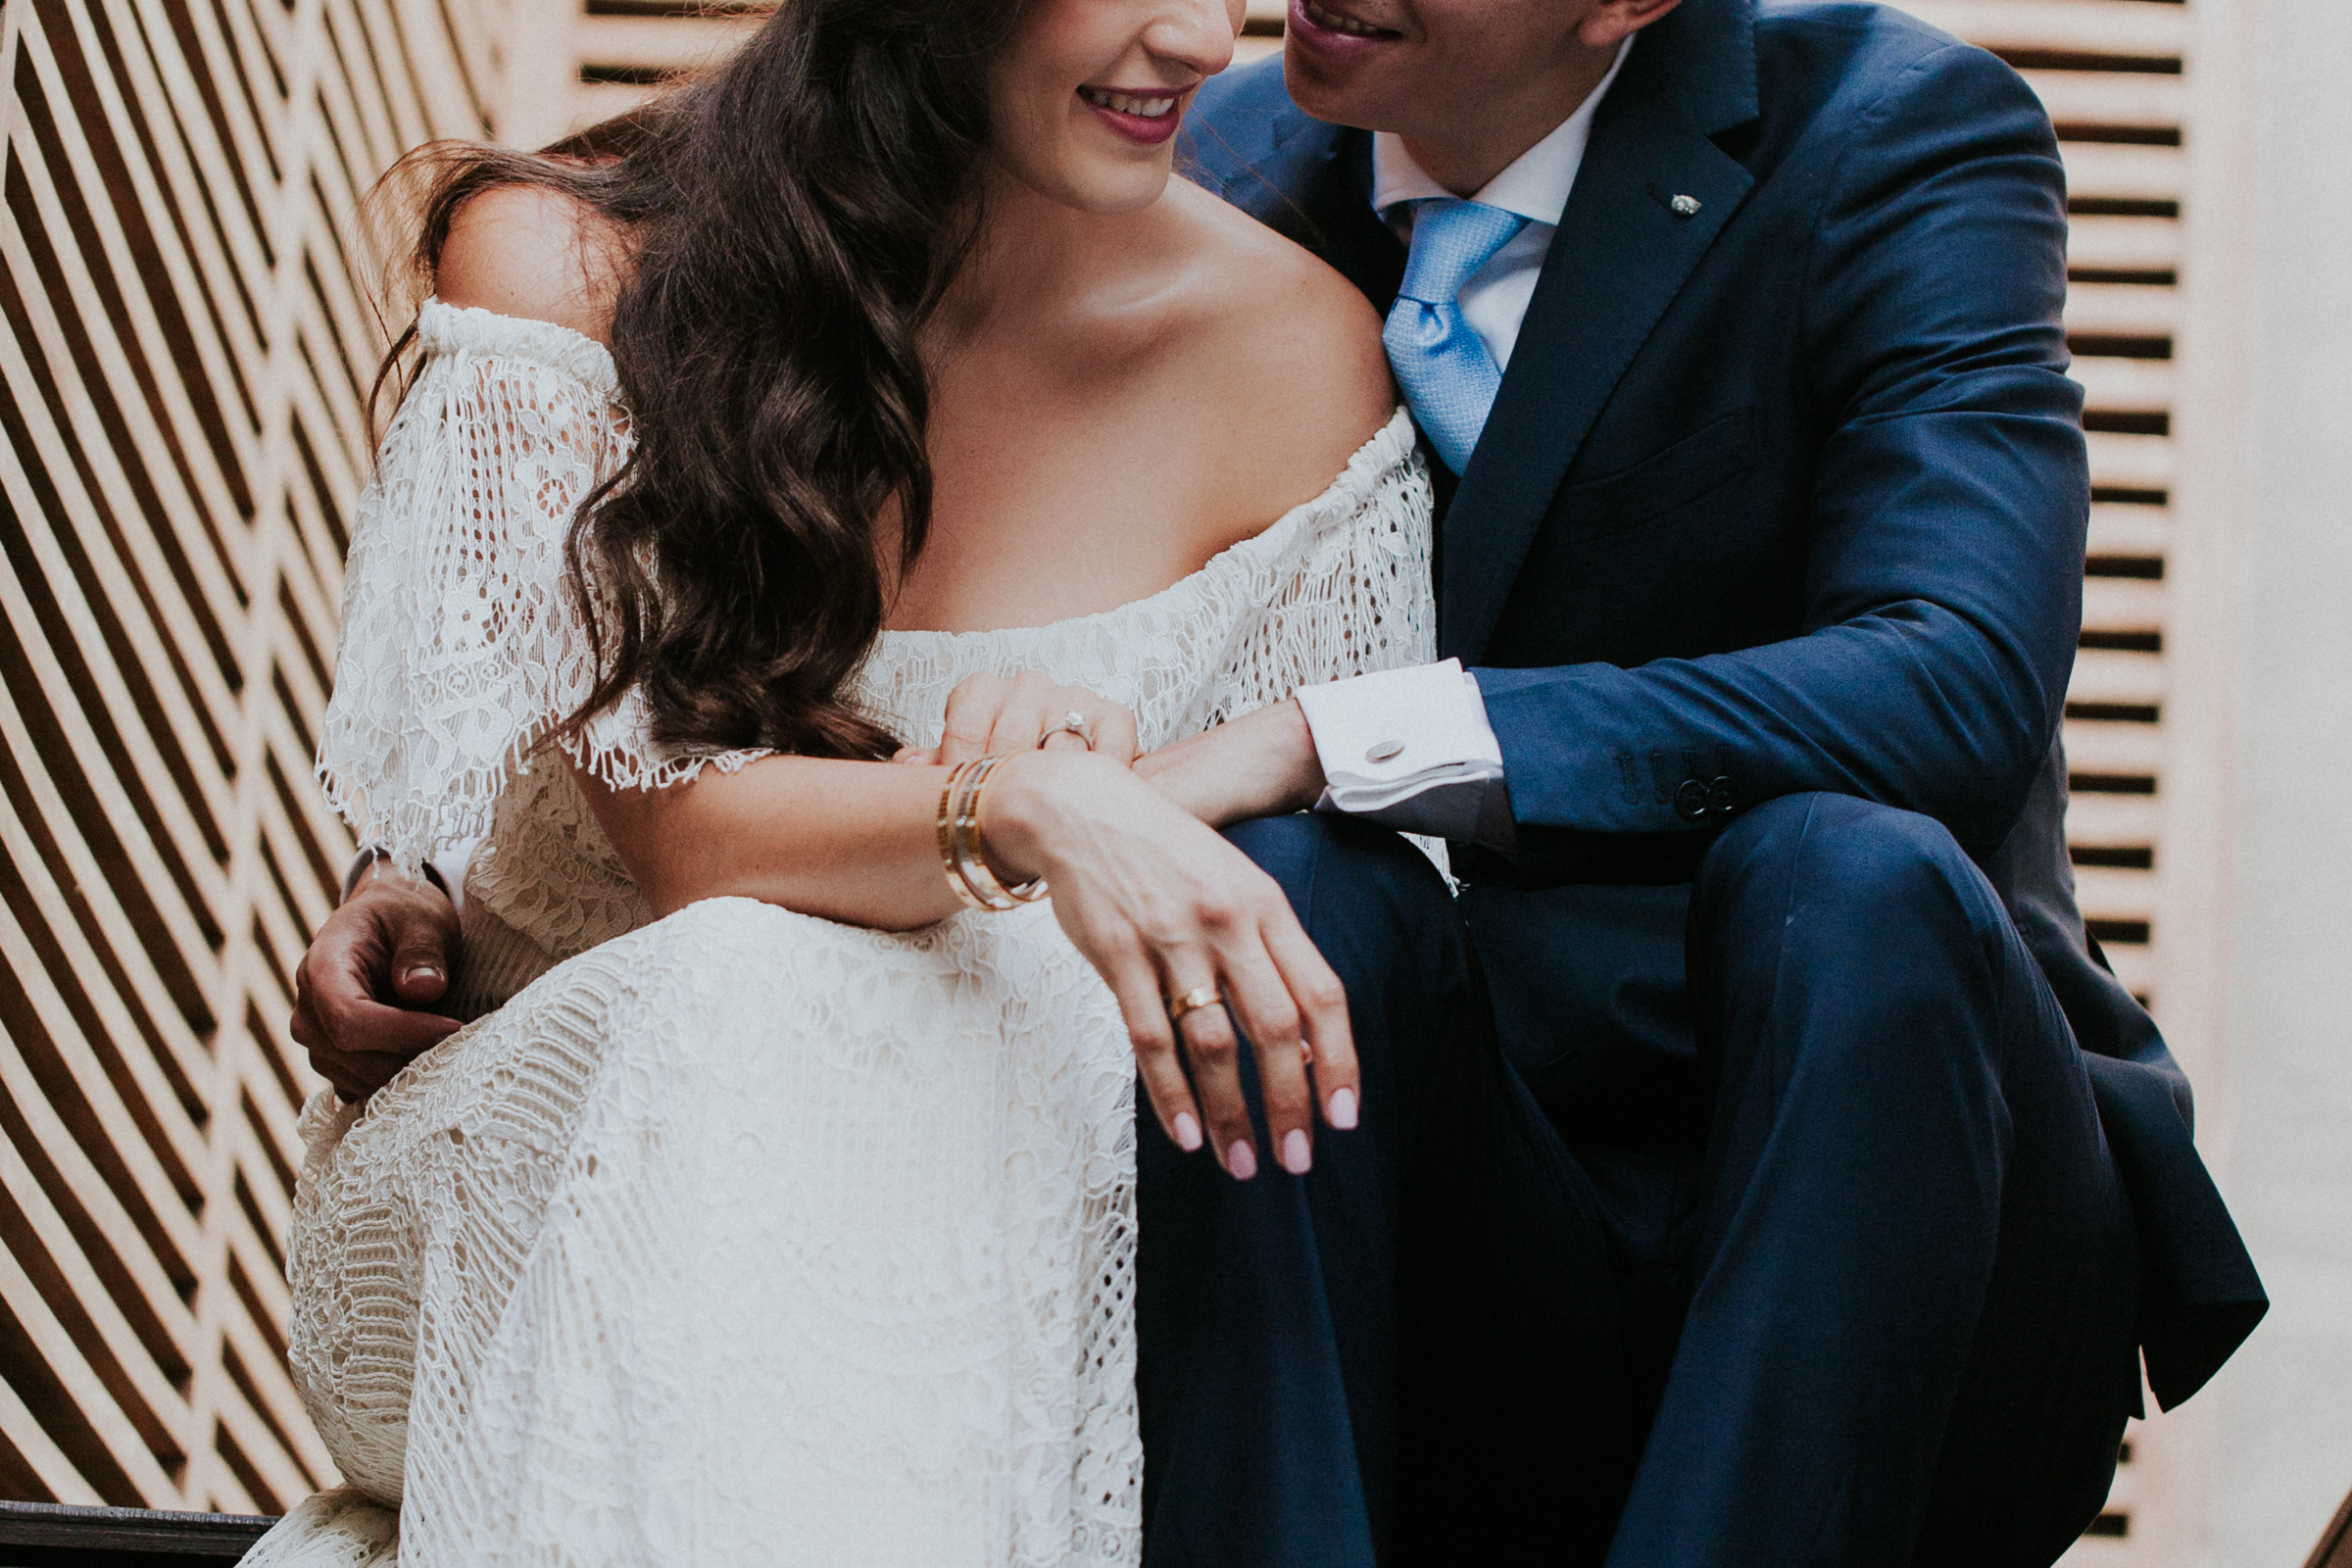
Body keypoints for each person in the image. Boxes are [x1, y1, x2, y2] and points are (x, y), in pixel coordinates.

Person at [252, 0, 1609, 1563]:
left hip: (997, 1237)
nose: (1190, 38)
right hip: (525, 1195)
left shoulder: (1299, 366)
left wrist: (1109, 776)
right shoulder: (563, 261)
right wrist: (1028, 805)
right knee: (749, 978)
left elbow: (1291, 950)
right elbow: (680, 833)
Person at [1132, 0, 2272, 1561]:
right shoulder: (1204, 158)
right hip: (1472, 1207)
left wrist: (1348, 733)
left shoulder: (1898, 133)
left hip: (1898, 1192)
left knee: (1854, 872)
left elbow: (1951, 681)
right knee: (1288, 890)